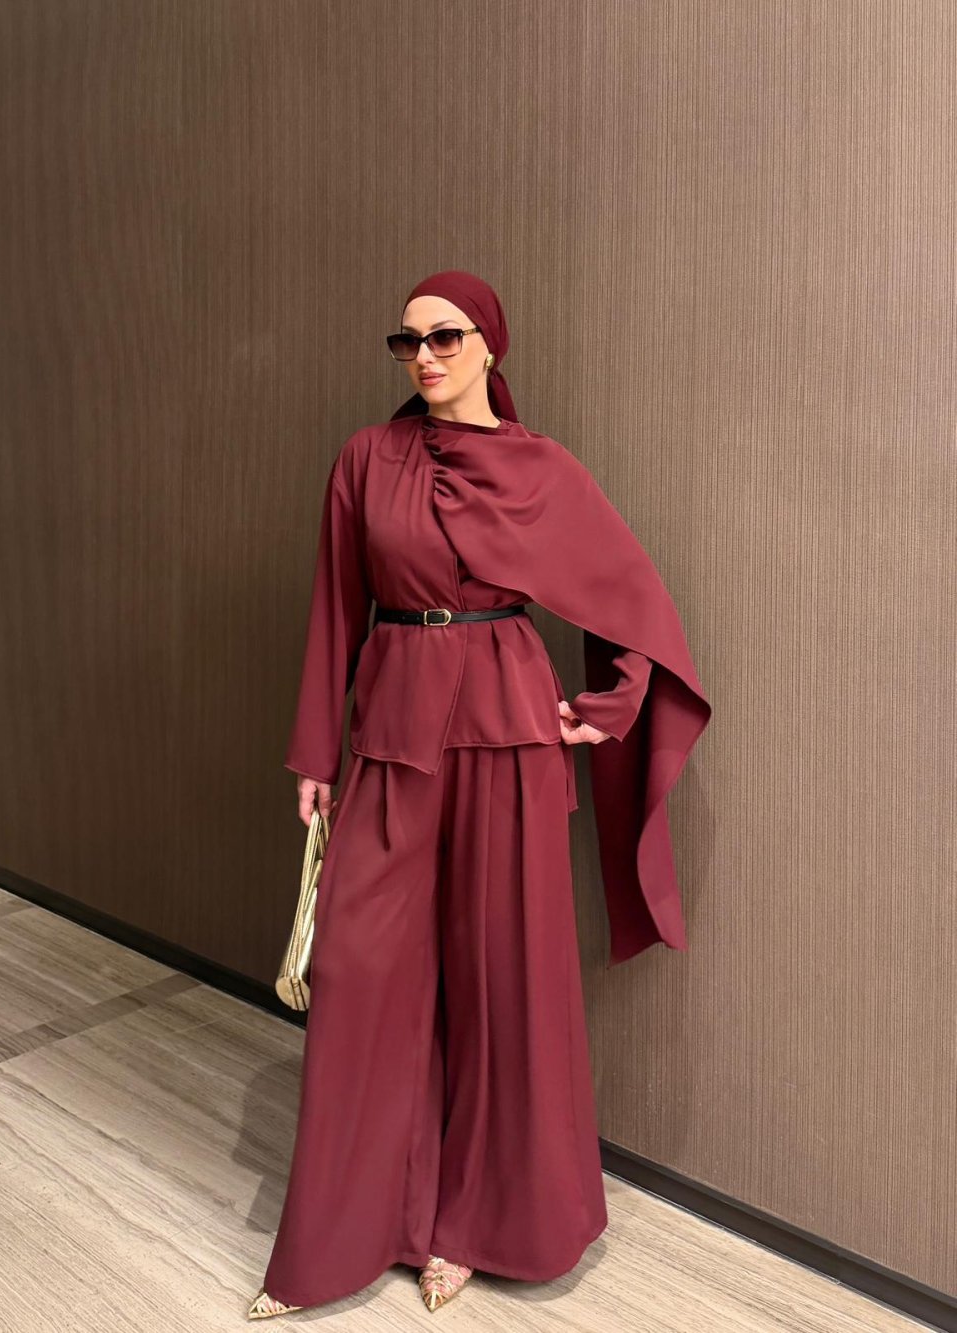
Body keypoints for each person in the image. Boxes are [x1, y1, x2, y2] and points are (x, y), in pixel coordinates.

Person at [248, 270, 711, 1318]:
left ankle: (468, 1227)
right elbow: (335, 605)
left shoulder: (540, 467)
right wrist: (315, 754)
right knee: (361, 966)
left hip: (508, 729)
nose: (424, 356)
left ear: (490, 345)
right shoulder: (366, 459)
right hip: (394, 725)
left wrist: (606, 706)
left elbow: (630, 595)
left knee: (501, 974)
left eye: (445, 337)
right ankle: (349, 1232)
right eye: (407, 341)